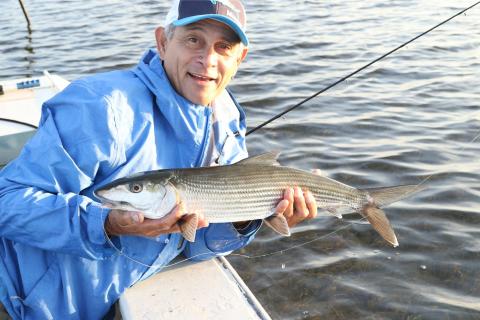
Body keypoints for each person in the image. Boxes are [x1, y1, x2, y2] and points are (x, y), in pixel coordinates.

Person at [0, 0, 318, 319]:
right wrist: (106, 223)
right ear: (163, 42)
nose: (207, 59)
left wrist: (246, 218)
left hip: (104, 298)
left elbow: (195, 244)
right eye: (193, 39)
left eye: (224, 47)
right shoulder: (98, 107)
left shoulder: (227, 121)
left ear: (240, 58)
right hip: (19, 299)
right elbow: (7, 203)